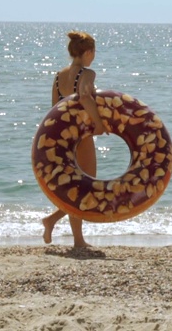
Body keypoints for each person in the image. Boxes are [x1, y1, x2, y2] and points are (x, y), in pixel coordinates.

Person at [42, 31, 106, 248]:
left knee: (74, 185)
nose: (94, 57)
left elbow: (54, 109)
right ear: (88, 52)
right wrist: (98, 123)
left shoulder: (59, 76)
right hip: (82, 136)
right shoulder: (87, 74)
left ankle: (77, 239)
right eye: (94, 52)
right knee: (85, 185)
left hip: (63, 138)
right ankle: (53, 220)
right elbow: (86, 97)